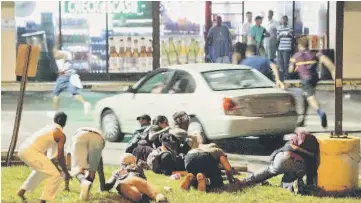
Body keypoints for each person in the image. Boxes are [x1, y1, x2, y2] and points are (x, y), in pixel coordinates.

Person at [238, 130, 319, 194]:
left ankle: (246, 181)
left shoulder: (292, 142)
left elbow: (278, 151)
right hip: (298, 163)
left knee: (269, 170)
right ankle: (291, 185)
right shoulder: (314, 148)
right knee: (294, 175)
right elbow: (312, 170)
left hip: (282, 157)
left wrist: (273, 159)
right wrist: (312, 185)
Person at [17, 112, 70, 203]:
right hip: (31, 152)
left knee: (42, 171)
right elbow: (60, 157)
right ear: (65, 123)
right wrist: (66, 172)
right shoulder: (60, 135)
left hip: (23, 149)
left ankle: (22, 191)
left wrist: (58, 168)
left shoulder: (49, 128)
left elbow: (52, 157)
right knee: (55, 175)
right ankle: (43, 201)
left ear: (54, 120)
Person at [289, 37, 335, 127]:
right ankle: (302, 120)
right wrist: (333, 73)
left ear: (299, 45)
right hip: (314, 78)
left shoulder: (295, 56)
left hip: (305, 79)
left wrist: (296, 68)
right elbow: (328, 63)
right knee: (305, 98)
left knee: (310, 98)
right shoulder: (315, 54)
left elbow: (290, 70)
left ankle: (320, 112)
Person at [51, 46, 91, 116]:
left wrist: (61, 68)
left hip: (65, 75)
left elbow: (60, 56)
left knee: (56, 94)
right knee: (74, 93)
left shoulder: (62, 54)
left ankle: (56, 112)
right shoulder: (66, 53)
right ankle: (85, 103)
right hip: (72, 74)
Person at [70, 127, 106, 200]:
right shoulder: (97, 134)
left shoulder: (75, 137)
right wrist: (102, 186)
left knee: (78, 168)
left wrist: (66, 184)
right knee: (92, 171)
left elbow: (68, 156)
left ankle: (83, 181)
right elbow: (99, 164)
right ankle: (85, 193)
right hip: (98, 137)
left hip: (80, 134)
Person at [277, 15, 294, 81]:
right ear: (281, 20)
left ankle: (287, 77)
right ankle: (282, 77)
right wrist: (282, 34)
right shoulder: (279, 28)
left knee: (286, 63)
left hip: (287, 47)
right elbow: (277, 38)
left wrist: (283, 34)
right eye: (283, 19)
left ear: (287, 20)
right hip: (280, 47)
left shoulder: (290, 27)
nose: (284, 21)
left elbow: (290, 35)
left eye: (285, 19)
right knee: (280, 63)